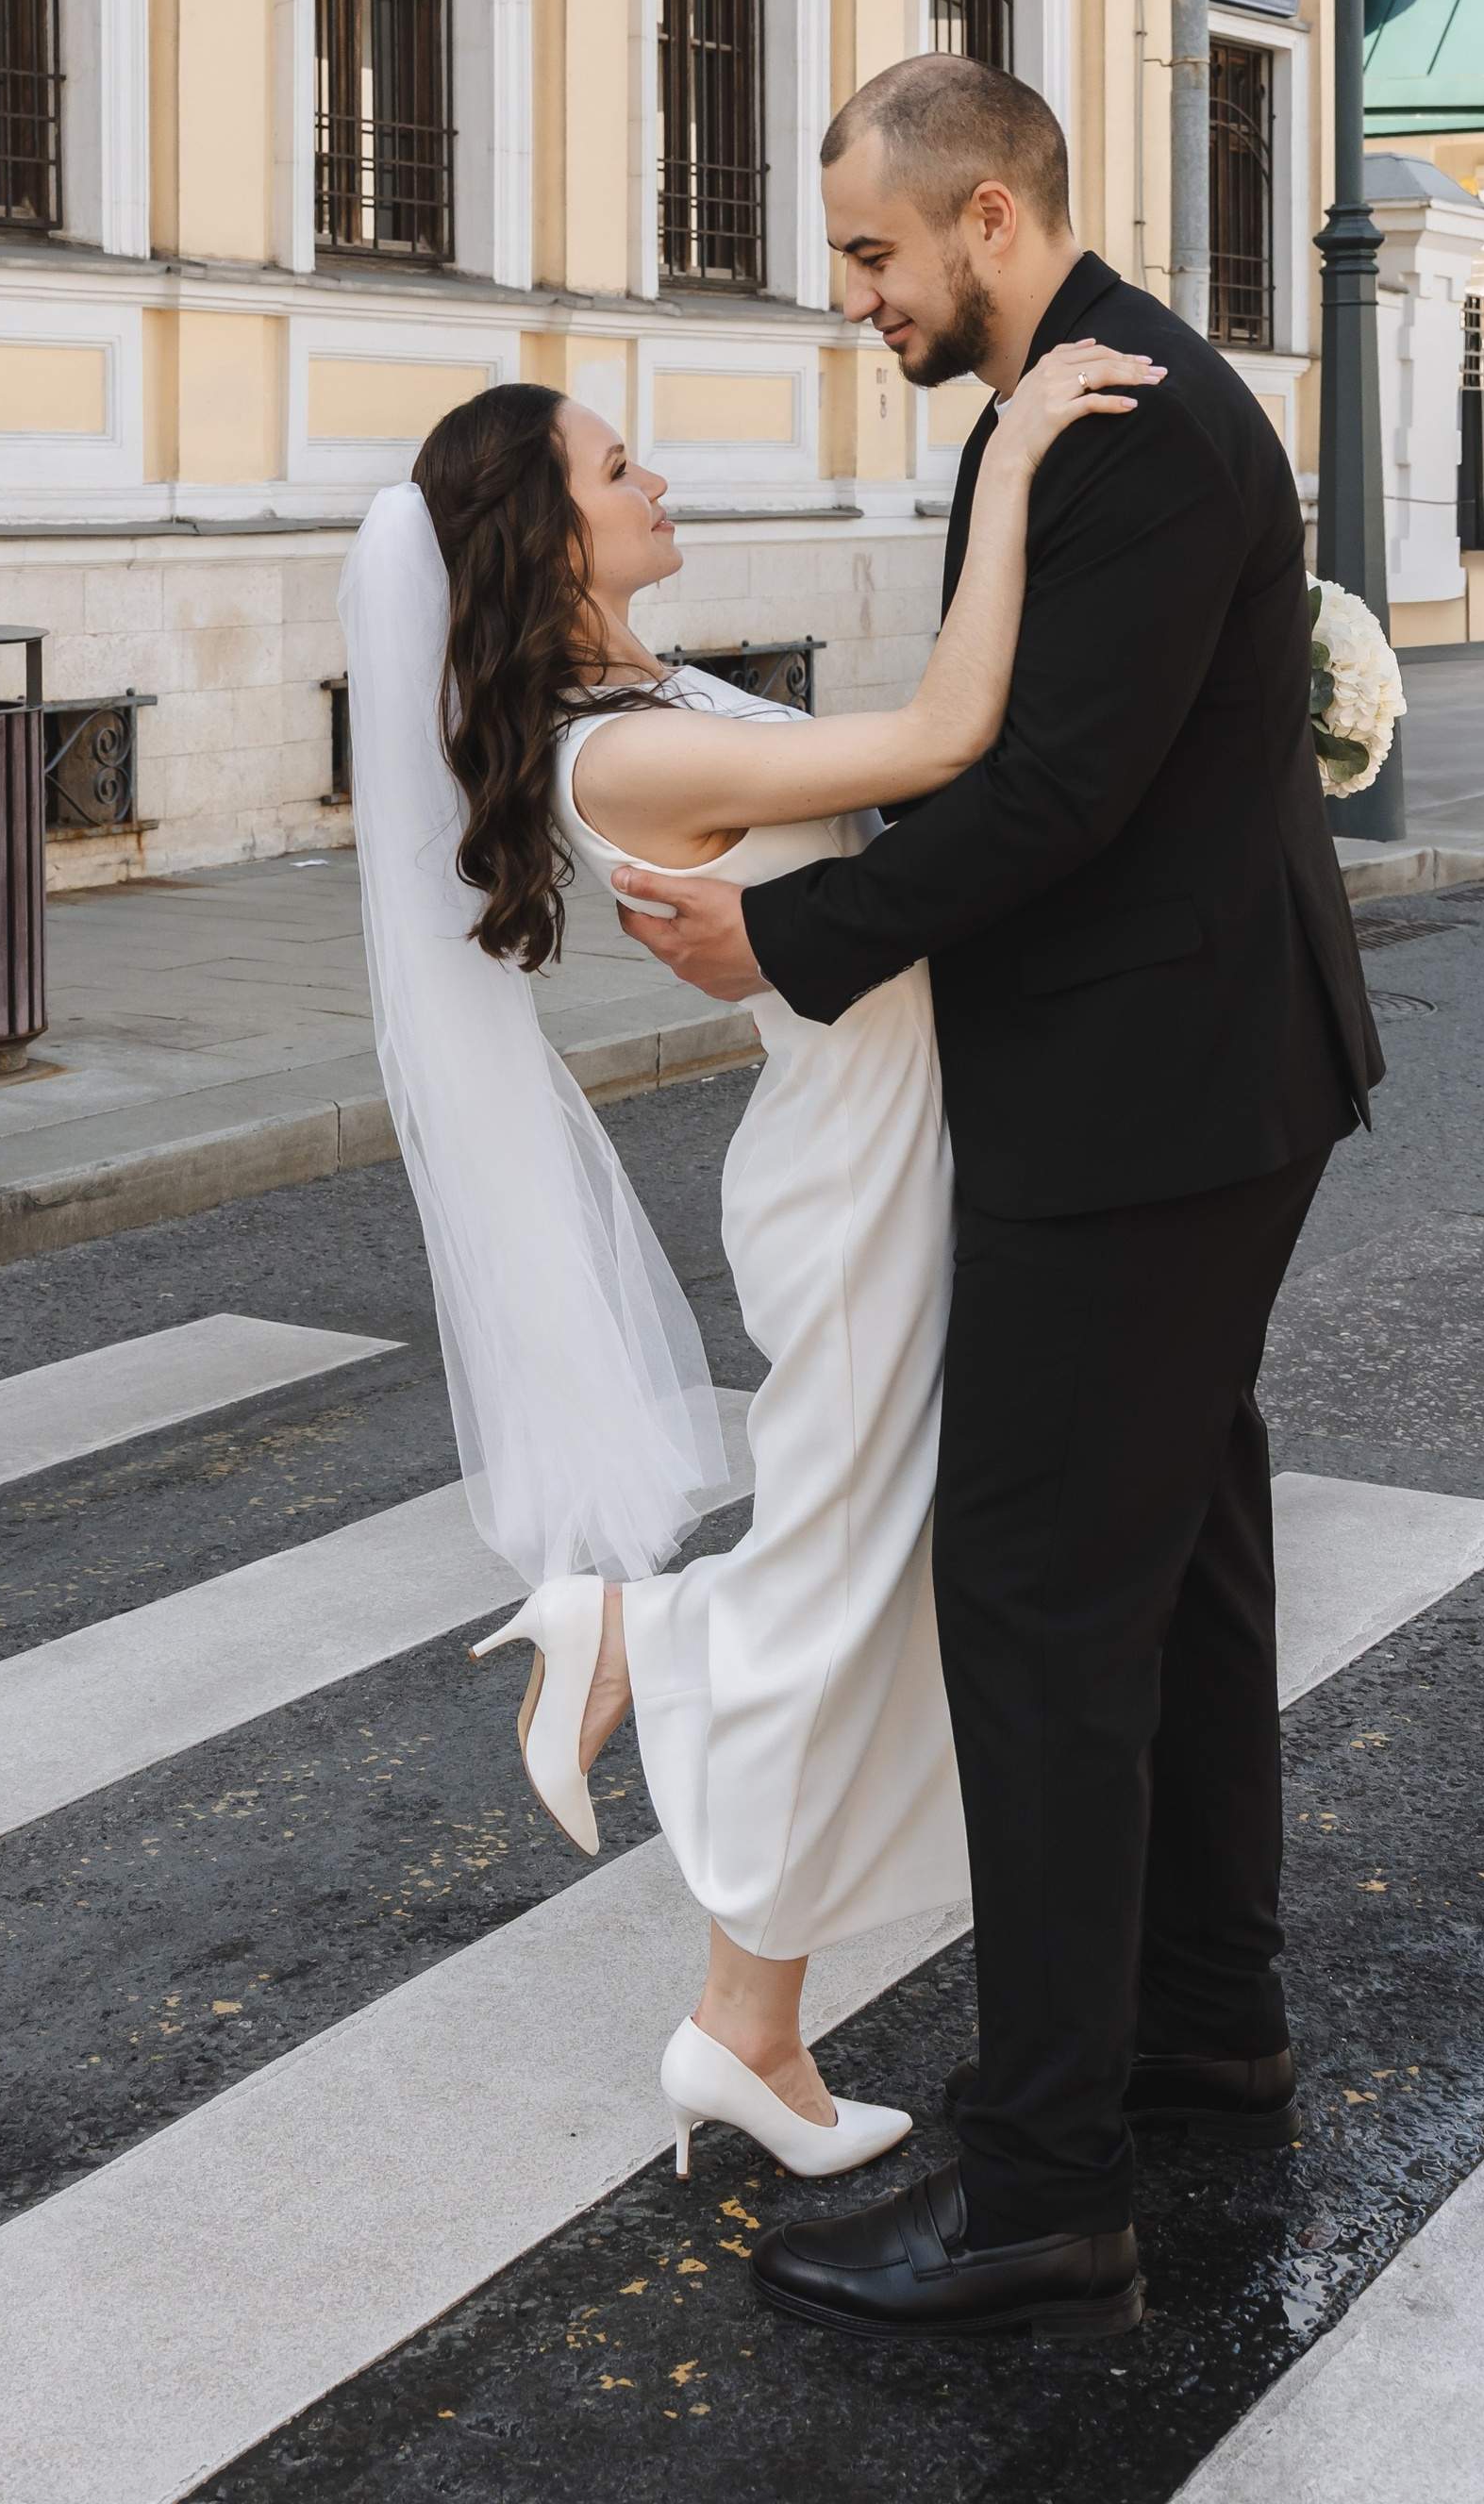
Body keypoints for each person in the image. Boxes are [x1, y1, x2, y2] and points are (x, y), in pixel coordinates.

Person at [611, 53, 1380, 2344]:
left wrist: (791, 937)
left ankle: (1044, 2182)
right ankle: (1197, 2030)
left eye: (869, 251)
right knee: (1184, 1564)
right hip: (1198, 1071)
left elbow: (1051, 790)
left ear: (989, 219)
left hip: (1142, 1099)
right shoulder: (1065, 400)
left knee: (1038, 1601)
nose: (848, 293)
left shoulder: (1115, 421)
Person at [336, 319, 1159, 2188]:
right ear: (546, 539)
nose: (656, 484)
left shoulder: (662, 695)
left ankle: (747, 2027)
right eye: (618, 470)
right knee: (844, 1568)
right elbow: (948, 738)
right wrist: (1013, 459)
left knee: (878, 1574)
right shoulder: (618, 757)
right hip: (856, 1171)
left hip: (899, 1142)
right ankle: (633, 1629)